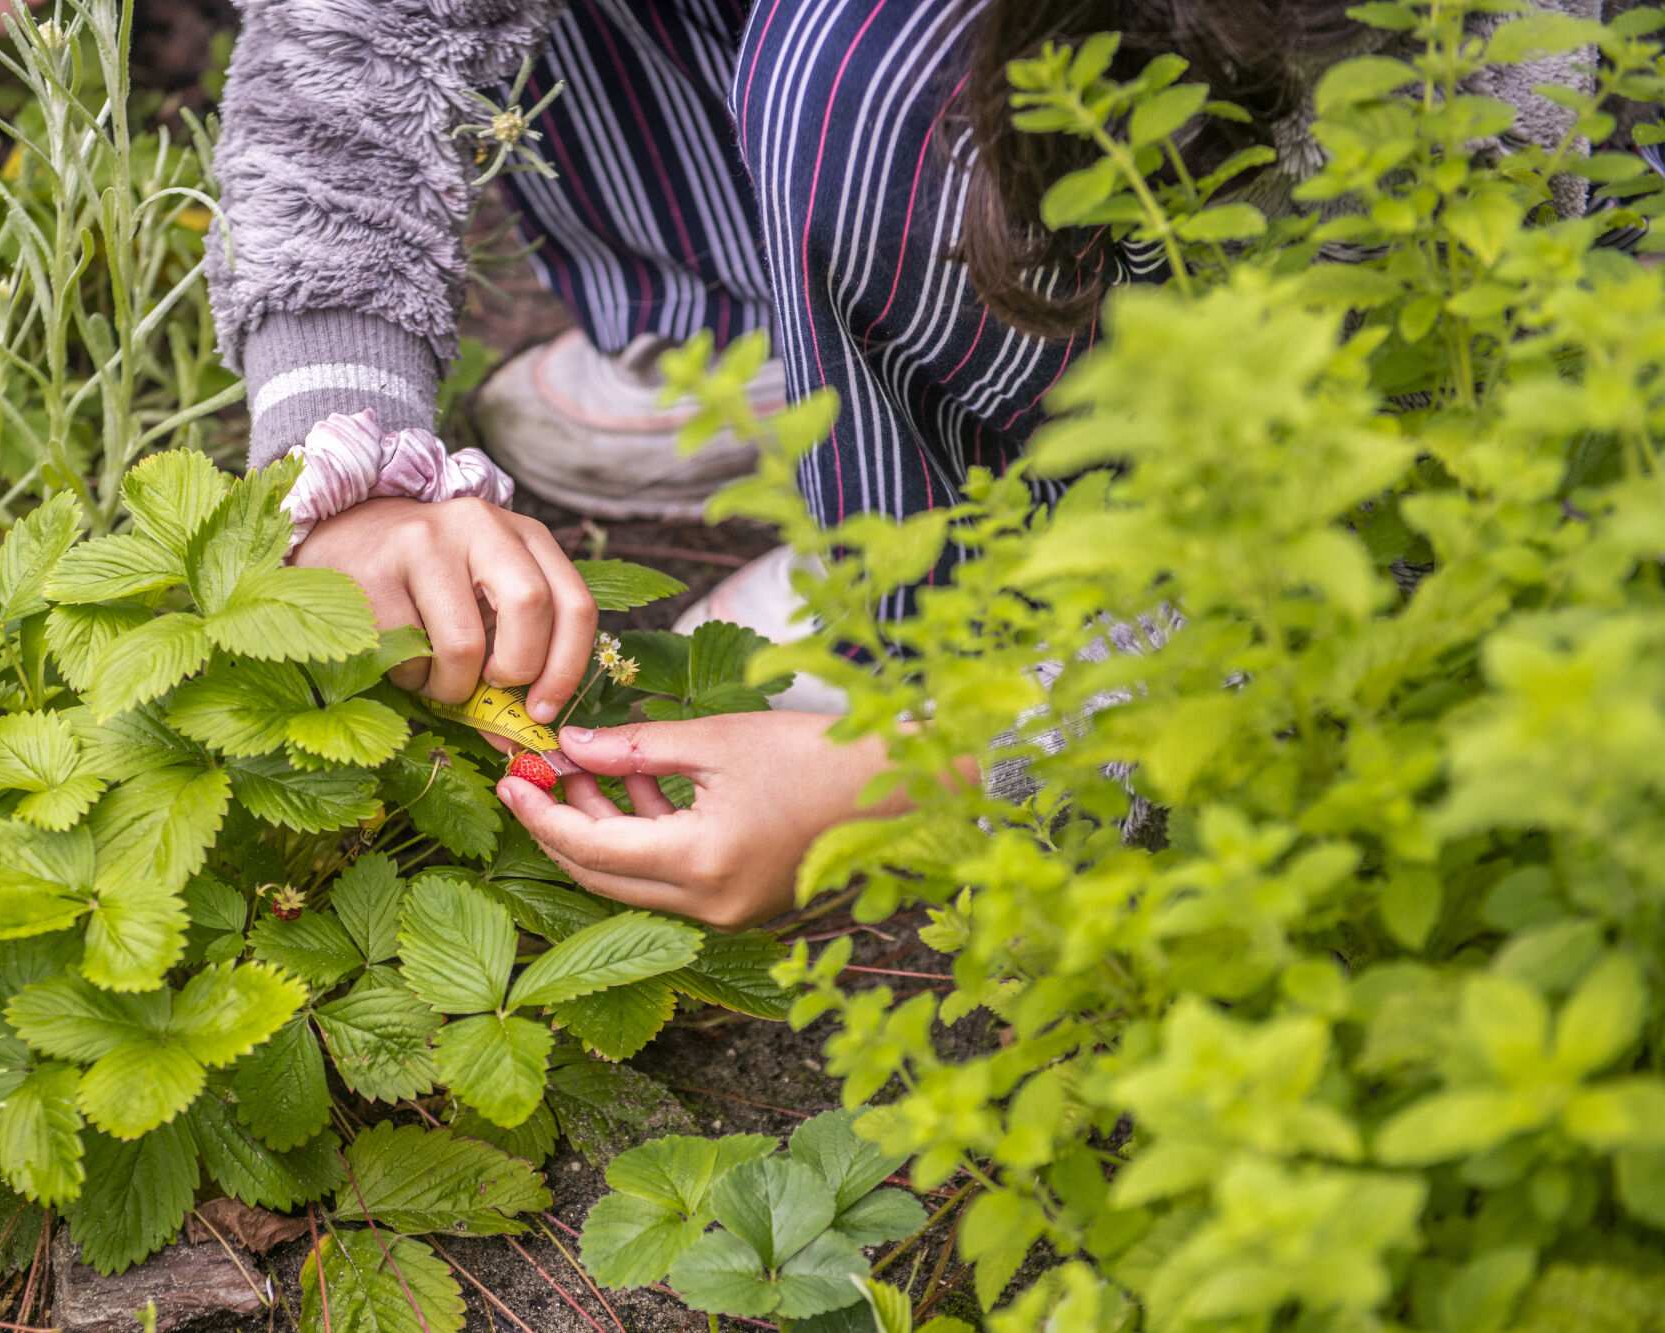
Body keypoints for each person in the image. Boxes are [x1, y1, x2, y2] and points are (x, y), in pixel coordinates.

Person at [207, 0, 1621, 930]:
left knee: (875, 89)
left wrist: (944, 769)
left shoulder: (1500, 78)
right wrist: (358, 457)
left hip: (1306, 278)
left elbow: (1461, 508)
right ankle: (760, 330)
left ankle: (1008, 579)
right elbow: (366, 32)